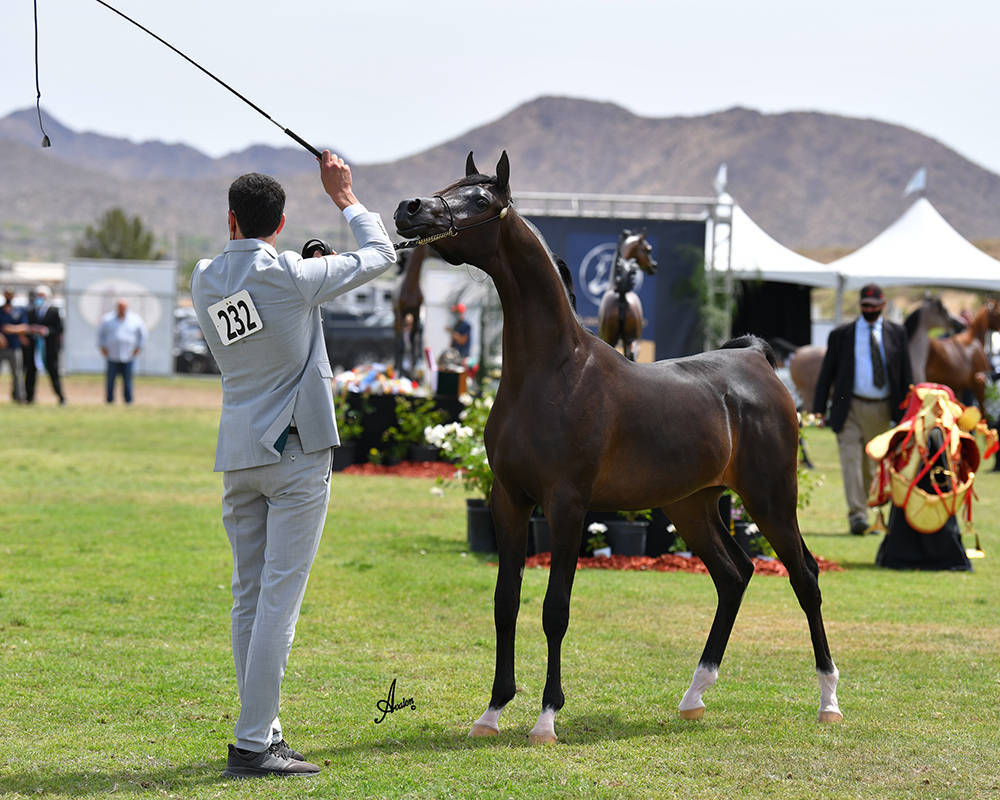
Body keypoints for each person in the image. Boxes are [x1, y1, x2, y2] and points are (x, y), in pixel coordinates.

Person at [191, 152, 395, 780]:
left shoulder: (203, 279)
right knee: (278, 601)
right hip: (297, 454)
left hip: (239, 455)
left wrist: (301, 274)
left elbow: (263, 303)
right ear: (278, 226)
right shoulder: (290, 275)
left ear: (231, 219)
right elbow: (383, 255)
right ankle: (254, 742)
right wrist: (345, 197)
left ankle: (263, 729)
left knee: (248, 598)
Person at [813, 283, 913, 535]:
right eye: (865, 306)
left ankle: (873, 509)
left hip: (881, 409)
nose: (869, 310)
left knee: (873, 466)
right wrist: (818, 408)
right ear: (860, 306)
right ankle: (857, 516)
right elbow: (827, 374)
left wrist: (909, 409)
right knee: (850, 461)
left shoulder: (896, 333)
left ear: (883, 306)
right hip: (849, 407)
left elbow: (905, 374)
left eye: (873, 306)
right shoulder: (842, 335)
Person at [98, 298, 147, 404]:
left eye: (124, 307)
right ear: (117, 307)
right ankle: (110, 400)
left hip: (128, 355)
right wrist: (102, 347)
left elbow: (142, 335)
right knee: (111, 379)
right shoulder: (108, 319)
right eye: (120, 307)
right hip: (112, 355)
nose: (122, 309)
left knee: (128, 380)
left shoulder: (135, 319)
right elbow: (100, 334)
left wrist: (138, 348)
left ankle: (128, 400)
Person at [24, 285, 65, 405]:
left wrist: (46, 331)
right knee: (30, 372)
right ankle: (29, 397)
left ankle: (61, 397)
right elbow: (27, 326)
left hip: (49, 348)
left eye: (42, 296)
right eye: (38, 296)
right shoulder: (31, 311)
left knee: (53, 373)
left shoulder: (54, 311)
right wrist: (32, 330)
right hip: (34, 347)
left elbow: (59, 329)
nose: (39, 298)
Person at [0, 287, 28, 402]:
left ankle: (20, 397)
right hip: (1, 348)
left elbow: (24, 327)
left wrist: (10, 329)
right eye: (7, 295)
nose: (9, 297)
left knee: (18, 373)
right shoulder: (0, 311)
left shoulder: (18, 311)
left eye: (11, 295)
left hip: (14, 347)